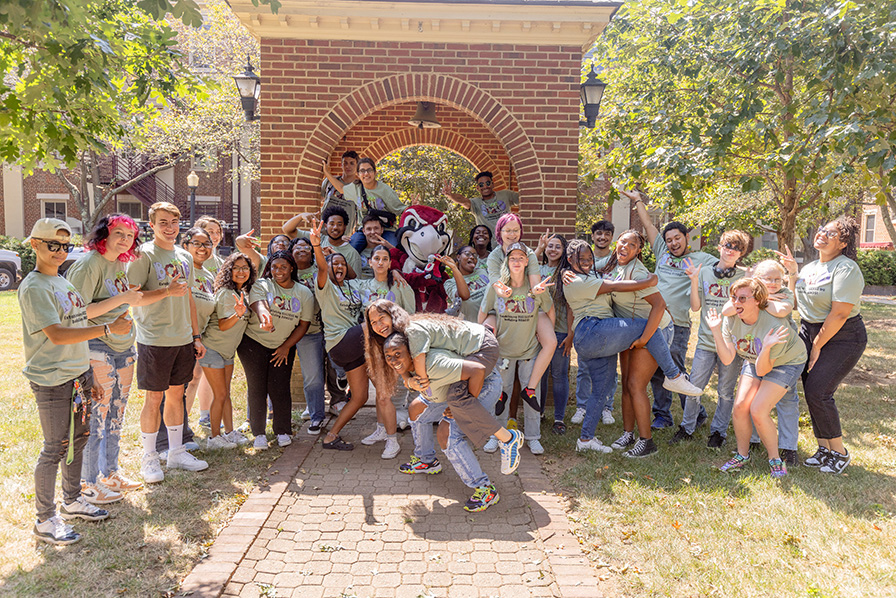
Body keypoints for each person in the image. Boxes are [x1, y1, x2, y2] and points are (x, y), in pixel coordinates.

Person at [20, 218, 133, 545]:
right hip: (51, 379)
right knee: (55, 448)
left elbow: (79, 325)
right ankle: (45, 519)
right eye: (52, 244)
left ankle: (72, 501)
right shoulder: (34, 286)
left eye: (65, 246)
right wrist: (109, 330)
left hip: (75, 375)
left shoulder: (64, 283)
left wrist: (87, 374)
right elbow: (56, 334)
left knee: (79, 438)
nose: (59, 251)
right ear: (35, 245)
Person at [558, 240, 703, 458]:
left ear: (639, 250)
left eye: (590, 258)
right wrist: (650, 280)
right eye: (581, 259)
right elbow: (615, 287)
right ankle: (673, 375)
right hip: (595, 331)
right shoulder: (577, 280)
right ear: (570, 261)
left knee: (605, 388)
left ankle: (586, 439)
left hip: (604, 334)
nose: (588, 262)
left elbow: (602, 271)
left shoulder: (602, 270)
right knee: (647, 332)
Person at [364, 300, 523, 476]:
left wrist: (461, 405)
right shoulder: (401, 336)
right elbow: (402, 367)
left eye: (381, 318)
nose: (378, 325)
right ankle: (427, 461)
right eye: (373, 322)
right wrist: (409, 381)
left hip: (482, 347)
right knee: (422, 406)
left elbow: (422, 375)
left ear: (392, 316)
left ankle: (508, 439)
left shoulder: (412, 331)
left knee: (458, 400)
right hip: (471, 350)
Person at [379, 331, 514, 512]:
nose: (394, 360)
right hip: (454, 389)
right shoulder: (411, 365)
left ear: (411, 352)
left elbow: (478, 370)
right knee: (416, 409)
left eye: (398, 354)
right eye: (389, 357)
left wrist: (463, 407)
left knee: (447, 432)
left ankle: (485, 489)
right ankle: (426, 461)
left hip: (482, 385)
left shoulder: (434, 364)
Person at [65, 214, 145, 505]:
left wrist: (127, 299)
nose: (125, 239)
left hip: (123, 346)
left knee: (116, 413)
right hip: (97, 344)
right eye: (119, 233)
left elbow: (120, 299)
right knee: (96, 416)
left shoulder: (119, 263)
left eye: (130, 235)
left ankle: (110, 473)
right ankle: (88, 483)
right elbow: (78, 312)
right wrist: (123, 300)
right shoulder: (88, 264)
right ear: (104, 234)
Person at [128, 202, 209, 484]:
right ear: (151, 225)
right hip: (154, 339)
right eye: (163, 222)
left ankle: (176, 451)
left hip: (183, 338)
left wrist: (195, 336)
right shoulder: (143, 255)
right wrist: (166, 291)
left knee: (177, 395)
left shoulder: (184, 256)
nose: (170, 227)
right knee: (154, 398)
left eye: (174, 222)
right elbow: (134, 297)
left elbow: (188, 298)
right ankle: (149, 456)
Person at [627, 189, 718, 429]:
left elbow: (725, 268)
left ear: (687, 237)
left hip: (677, 324)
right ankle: (662, 415)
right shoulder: (662, 254)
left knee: (675, 370)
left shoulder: (702, 259)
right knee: (657, 371)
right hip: (655, 321)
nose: (673, 243)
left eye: (677, 238)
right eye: (669, 240)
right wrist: (638, 201)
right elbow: (647, 224)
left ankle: (696, 413)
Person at [706, 278, 807, 478]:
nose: (736, 303)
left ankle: (775, 459)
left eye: (743, 298)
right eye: (734, 297)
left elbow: (764, 369)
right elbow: (727, 359)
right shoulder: (732, 318)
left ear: (758, 300)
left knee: (758, 409)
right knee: (740, 407)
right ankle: (742, 455)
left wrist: (767, 347)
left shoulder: (774, 325)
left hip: (786, 361)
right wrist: (716, 330)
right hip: (755, 360)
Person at [794, 217, 866, 474]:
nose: (822, 234)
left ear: (843, 243)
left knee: (819, 390)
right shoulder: (810, 267)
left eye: (831, 233)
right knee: (811, 390)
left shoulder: (846, 269)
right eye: (822, 229)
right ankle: (824, 448)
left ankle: (840, 452)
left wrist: (817, 345)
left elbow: (838, 314)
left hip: (843, 335)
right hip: (809, 330)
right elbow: (799, 302)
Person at [600, 230, 678, 458]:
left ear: (638, 250)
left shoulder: (638, 270)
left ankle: (647, 442)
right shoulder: (615, 266)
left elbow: (659, 305)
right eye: (622, 241)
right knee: (626, 383)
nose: (625, 246)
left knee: (636, 385)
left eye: (631, 244)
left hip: (654, 330)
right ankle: (628, 433)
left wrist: (645, 339)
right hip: (631, 328)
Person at [676, 230, 752, 447]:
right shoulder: (704, 273)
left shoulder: (745, 278)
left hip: (731, 344)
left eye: (736, 248)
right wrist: (693, 280)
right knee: (694, 387)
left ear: (741, 254)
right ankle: (687, 426)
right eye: (727, 245)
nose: (731, 250)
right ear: (719, 247)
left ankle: (719, 431)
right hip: (706, 342)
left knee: (726, 392)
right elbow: (695, 306)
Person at [480, 243, 556, 455]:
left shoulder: (535, 289)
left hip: (528, 352)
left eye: (521, 257)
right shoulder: (496, 288)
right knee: (499, 396)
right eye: (512, 257)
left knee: (533, 396)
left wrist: (544, 333)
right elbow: (483, 312)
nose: (516, 261)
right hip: (503, 352)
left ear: (526, 262)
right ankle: (497, 436)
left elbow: (550, 312)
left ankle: (533, 437)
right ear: (506, 261)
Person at [241, 251, 313, 449]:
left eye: (283, 267)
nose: (278, 271)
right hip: (253, 343)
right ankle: (259, 434)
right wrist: (265, 316)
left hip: (284, 345)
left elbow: (303, 324)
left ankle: (282, 430)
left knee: (280, 388)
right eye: (274, 267)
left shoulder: (303, 292)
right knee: (257, 387)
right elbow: (259, 304)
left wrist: (285, 347)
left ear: (291, 268)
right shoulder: (263, 284)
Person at [485, 214, 557, 410]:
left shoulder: (529, 254)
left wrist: (537, 290)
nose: (512, 234)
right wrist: (503, 291)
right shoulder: (494, 256)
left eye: (516, 230)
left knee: (551, 342)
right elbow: (495, 284)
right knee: (486, 337)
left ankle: (530, 389)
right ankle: (498, 390)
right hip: (498, 307)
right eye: (508, 230)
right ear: (499, 232)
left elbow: (534, 284)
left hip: (528, 305)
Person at [310, 219, 371, 450]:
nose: (338, 267)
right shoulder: (325, 287)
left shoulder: (352, 286)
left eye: (342, 264)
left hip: (354, 344)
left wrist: (338, 258)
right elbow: (324, 268)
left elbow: (358, 276)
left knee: (361, 397)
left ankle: (331, 436)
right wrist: (319, 248)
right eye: (333, 264)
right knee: (376, 324)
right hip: (340, 342)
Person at [356, 244, 416, 458]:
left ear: (390, 263)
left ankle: (393, 440)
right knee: (381, 393)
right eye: (376, 258)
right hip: (374, 347)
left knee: (387, 395)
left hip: (395, 347)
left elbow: (411, 315)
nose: (380, 262)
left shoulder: (400, 285)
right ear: (370, 262)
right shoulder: (363, 286)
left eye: (384, 259)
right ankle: (382, 429)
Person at [200, 253, 255, 449]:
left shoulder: (245, 293)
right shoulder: (225, 292)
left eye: (245, 268)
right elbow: (223, 325)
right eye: (237, 268)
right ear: (229, 271)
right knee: (220, 394)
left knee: (226, 393)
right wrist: (237, 314)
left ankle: (230, 433)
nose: (241, 271)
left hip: (227, 352)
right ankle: (214, 438)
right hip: (212, 348)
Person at [173, 227, 217, 456]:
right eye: (197, 243)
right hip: (180, 335)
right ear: (185, 245)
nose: (202, 248)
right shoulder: (181, 269)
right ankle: (173, 433)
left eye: (207, 243)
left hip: (199, 338)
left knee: (193, 380)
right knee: (177, 386)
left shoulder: (208, 276)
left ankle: (183, 428)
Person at [571, 219, 616, 427]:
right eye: (599, 233)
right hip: (586, 319)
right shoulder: (584, 258)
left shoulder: (616, 259)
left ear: (611, 237)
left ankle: (607, 408)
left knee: (609, 367)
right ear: (593, 236)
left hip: (609, 316)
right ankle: (582, 406)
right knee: (584, 367)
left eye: (607, 234)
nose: (602, 237)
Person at [324, 157, 406, 253]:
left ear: (375, 172)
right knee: (351, 250)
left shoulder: (385, 190)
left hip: (386, 229)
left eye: (369, 170)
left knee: (395, 251)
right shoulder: (356, 188)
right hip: (364, 230)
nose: (366, 174)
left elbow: (401, 210)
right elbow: (341, 188)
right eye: (362, 171)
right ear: (358, 174)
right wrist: (326, 173)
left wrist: (415, 207)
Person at [289, 236, 329, 434]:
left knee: (334, 370)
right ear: (291, 251)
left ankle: (334, 404)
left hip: (324, 329)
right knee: (312, 377)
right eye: (298, 247)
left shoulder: (318, 270)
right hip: (300, 332)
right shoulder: (287, 271)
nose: (302, 249)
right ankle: (316, 416)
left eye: (307, 247)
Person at [535, 233, 574, 434]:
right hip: (537, 332)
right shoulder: (538, 270)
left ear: (564, 251)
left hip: (559, 331)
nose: (553, 250)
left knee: (559, 375)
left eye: (557, 247)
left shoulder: (565, 273)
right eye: (550, 246)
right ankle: (539, 413)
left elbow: (570, 307)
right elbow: (525, 267)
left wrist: (570, 334)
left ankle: (559, 418)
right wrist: (539, 248)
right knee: (539, 374)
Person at [193, 216, 226, 430]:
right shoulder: (192, 259)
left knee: (209, 371)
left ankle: (206, 415)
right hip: (195, 324)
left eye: (217, 232)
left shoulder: (222, 263)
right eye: (209, 231)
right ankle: (180, 423)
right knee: (193, 374)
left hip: (214, 325)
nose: (214, 236)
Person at [283, 150, 362, 238]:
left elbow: (342, 189)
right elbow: (317, 199)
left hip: (343, 234)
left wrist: (327, 173)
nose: (348, 166)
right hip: (323, 230)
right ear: (341, 165)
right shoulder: (329, 181)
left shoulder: (359, 186)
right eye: (345, 163)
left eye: (352, 163)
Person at [443, 171, 519, 236]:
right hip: (488, 247)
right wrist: (450, 195)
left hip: (508, 243)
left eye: (488, 183)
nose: (485, 186)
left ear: (492, 184)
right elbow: (463, 200)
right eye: (481, 185)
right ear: (478, 188)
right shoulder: (476, 203)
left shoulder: (505, 194)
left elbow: (524, 199)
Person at [445, 245, 489, 323]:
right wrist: (454, 268)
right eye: (468, 254)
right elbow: (464, 296)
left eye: (474, 255)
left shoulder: (482, 271)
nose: (472, 257)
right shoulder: (450, 283)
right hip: (475, 329)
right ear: (458, 257)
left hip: (495, 323)